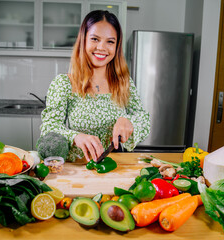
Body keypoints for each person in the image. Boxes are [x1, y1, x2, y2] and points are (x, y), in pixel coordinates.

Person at [40, 10, 150, 162]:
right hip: (76, 168)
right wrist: (75, 136)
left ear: (117, 46)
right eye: (95, 39)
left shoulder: (124, 83)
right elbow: (49, 127)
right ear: (83, 40)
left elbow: (143, 119)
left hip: (114, 166)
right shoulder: (64, 83)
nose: (102, 47)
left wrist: (129, 121)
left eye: (110, 41)